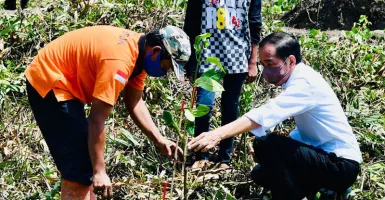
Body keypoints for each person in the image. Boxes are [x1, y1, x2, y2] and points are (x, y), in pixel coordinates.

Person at [188, 32, 362, 199]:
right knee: (261, 173)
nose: (265, 71)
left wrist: (217, 134)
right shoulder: (299, 78)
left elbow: (265, 113)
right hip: (325, 159)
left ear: (291, 61)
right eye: (263, 65)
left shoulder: (305, 84)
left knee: (266, 143)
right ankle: (325, 191)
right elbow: (306, 130)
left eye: (270, 64)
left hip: (341, 165)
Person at [25, 25, 191, 199]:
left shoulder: (140, 55)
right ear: (156, 52)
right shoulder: (119, 62)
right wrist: (100, 171)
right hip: (50, 79)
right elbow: (96, 119)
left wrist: (159, 139)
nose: (165, 73)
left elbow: (134, 101)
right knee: (78, 168)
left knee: (85, 164)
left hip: (66, 84)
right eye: (166, 67)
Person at [183, 0, 262, 169]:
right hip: (206, 54)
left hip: (238, 54)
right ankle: (201, 155)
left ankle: (224, 158)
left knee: (230, 108)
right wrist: (191, 64)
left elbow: (255, 23)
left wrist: (253, 62)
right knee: (204, 105)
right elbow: (190, 23)